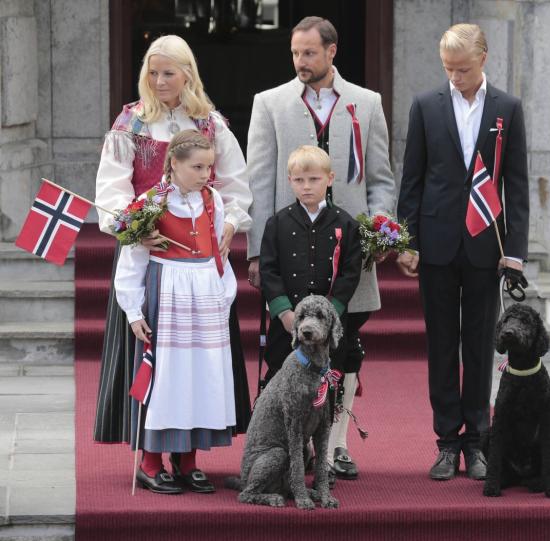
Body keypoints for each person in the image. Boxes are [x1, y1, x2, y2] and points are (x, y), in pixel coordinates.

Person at [245, 16, 396, 483]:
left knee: (346, 351)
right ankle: (292, 450)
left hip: (348, 254)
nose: (300, 61)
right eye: (295, 53)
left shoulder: (366, 103)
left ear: (332, 51)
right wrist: (255, 252)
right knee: (286, 357)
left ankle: (337, 446)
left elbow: (381, 179)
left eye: (309, 53)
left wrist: (378, 234)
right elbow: (259, 179)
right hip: (290, 252)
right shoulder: (269, 103)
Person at [94, 35, 252, 444]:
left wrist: (230, 224)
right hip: (149, 258)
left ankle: (193, 442)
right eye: (153, 71)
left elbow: (236, 185)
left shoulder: (210, 125)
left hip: (199, 260)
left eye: (168, 72)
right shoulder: (131, 123)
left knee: (199, 359)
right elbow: (111, 191)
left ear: (187, 75)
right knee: (154, 353)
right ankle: (148, 444)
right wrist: (134, 228)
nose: (160, 80)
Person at [396, 23, 529, 481]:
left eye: (463, 68)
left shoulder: (507, 109)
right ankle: (446, 441)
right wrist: (406, 240)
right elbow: (411, 177)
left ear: (484, 59)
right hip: (435, 243)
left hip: (484, 245)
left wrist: (514, 252)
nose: (455, 76)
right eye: (449, 68)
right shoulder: (425, 105)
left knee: (477, 345)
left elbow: (516, 183)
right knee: (441, 346)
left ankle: (477, 442)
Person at [115, 130, 236, 494]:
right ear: (174, 164)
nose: (205, 174)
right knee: (168, 377)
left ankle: (188, 459)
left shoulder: (212, 199)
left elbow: (218, 250)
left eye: (209, 167)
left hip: (205, 296)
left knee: (201, 374)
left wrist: (223, 293)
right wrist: (134, 311)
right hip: (168, 292)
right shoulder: (152, 202)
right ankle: (150, 462)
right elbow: (132, 260)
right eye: (197, 167)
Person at [259, 145, 362, 383]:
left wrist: (332, 311)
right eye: (299, 180)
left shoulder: (346, 224)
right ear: (289, 181)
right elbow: (269, 269)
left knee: (327, 379)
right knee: (281, 376)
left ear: (329, 179)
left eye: (314, 179)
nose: (306, 186)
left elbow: (350, 272)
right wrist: (285, 313)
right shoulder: (277, 223)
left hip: (329, 321)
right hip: (288, 321)